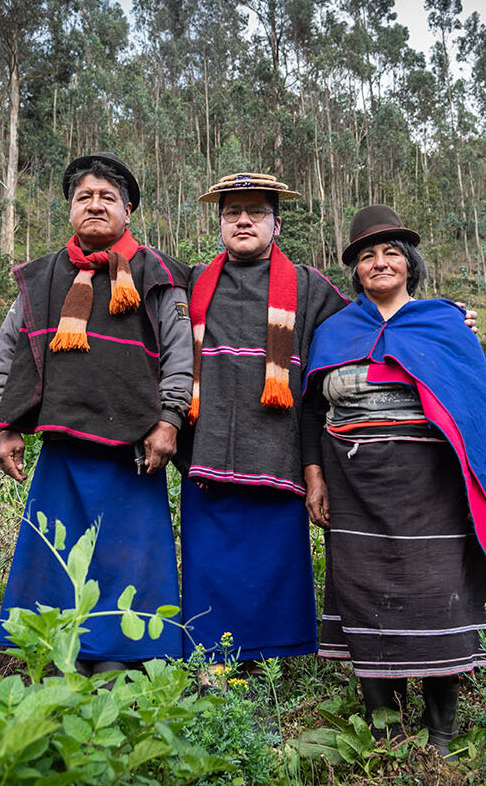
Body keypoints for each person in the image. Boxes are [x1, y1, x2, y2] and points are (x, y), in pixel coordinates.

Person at [301, 205, 486, 755]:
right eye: (366, 256)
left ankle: (442, 735)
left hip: (433, 495)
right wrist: (314, 477)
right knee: (363, 598)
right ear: (354, 270)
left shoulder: (444, 324)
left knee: (438, 599)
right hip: (353, 493)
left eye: (390, 253)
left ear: (410, 265)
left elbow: (473, 409)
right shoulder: (335, 331)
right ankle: (385, 729)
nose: (378, 263)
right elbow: (311, 413)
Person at [0, 152, 192, 675]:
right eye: (85, 197)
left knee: (129, 560)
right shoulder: (42, 278)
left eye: (107, 197)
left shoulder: (156, 273)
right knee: (57, 561)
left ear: (128, 211)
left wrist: (169, 420)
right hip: (62, 451)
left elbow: (178, 354)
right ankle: (56, 665)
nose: (95, 205)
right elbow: (12, 351)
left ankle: (120, 669)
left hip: (131, 453)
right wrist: (5, 423)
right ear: (70, 209)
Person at [176, 172, 349, 662]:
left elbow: (363, 328)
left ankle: (273, 660)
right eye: (233, 213)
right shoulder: (194, 282)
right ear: (220, 224)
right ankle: (211, 663)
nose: (244, 220)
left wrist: (439, 316)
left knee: (272, 563)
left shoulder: (307, 286)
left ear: (276, 222)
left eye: (256, 212)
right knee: (209, 562)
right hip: (207, 453)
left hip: (277, 452)